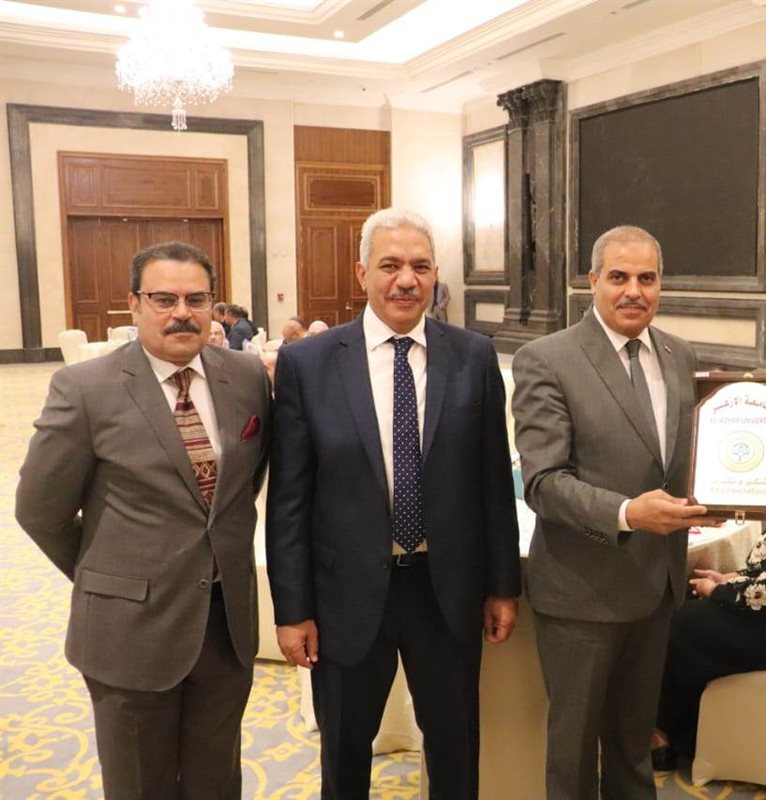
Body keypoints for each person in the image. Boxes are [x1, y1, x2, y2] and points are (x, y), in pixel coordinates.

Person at [267, 207, 521, 800]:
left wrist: (502, 586)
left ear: (435, 276)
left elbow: (492, 482)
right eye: (390, 265)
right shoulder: (309, 363)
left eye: (420, 266)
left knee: (455, 749)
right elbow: (289, 500)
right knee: (345, 752)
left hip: (446, 590)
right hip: (345, 595)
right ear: (362, 273)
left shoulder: (474, 356)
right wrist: (292, 608)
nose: (406, 280)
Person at [15, 241, 271, 799]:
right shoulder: (86, 389)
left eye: (196, 299)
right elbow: (39, 509)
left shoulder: (248, 377)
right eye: (164, 299)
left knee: (217, 782)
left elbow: (238, 491)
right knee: (139, 786)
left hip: (225, 627)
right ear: (134, 304)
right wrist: (109, 578)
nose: (182, 313)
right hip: (128, 633)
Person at [512, 224, 715, 800]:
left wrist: (712, 497)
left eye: (647, 278)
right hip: (582, 592)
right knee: (573, 756)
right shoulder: (546, 359)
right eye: (619, 277)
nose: (634, 291)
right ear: (593, 280)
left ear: (660, 284)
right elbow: (543, 483)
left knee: (634, 748)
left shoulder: (678, 354)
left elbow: (678, 459)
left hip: (657, 586)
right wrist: (627, 513)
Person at [652, 522, 766, 771]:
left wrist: (716, 590)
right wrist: (729, 579)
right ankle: (684, 730)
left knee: (682, 625)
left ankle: (667, 734)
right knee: (690, 616)